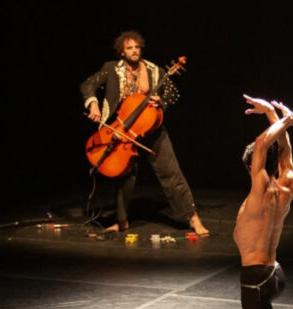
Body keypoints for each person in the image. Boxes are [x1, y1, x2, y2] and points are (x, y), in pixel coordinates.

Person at [217, 95, 293, 309]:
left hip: (255, 278)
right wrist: (273, 115)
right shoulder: (288, 183)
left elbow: (263, 145)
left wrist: (284, 119)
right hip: (274, 275)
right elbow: (283, 152)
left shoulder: (258, 191)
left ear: (254, 166)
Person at [80, 30, 209, 235]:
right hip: (123, 131)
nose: (134, 51)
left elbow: (172, 93)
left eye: (137, 47)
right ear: (122, 52)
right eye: (129, 48)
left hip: (151, 129)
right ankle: (121, 221)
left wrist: (161, 101)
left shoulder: (154, 70)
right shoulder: (111, 69)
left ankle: (193, 219)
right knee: (124, 177)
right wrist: (93, 104)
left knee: (171, 173)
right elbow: (88, 85)